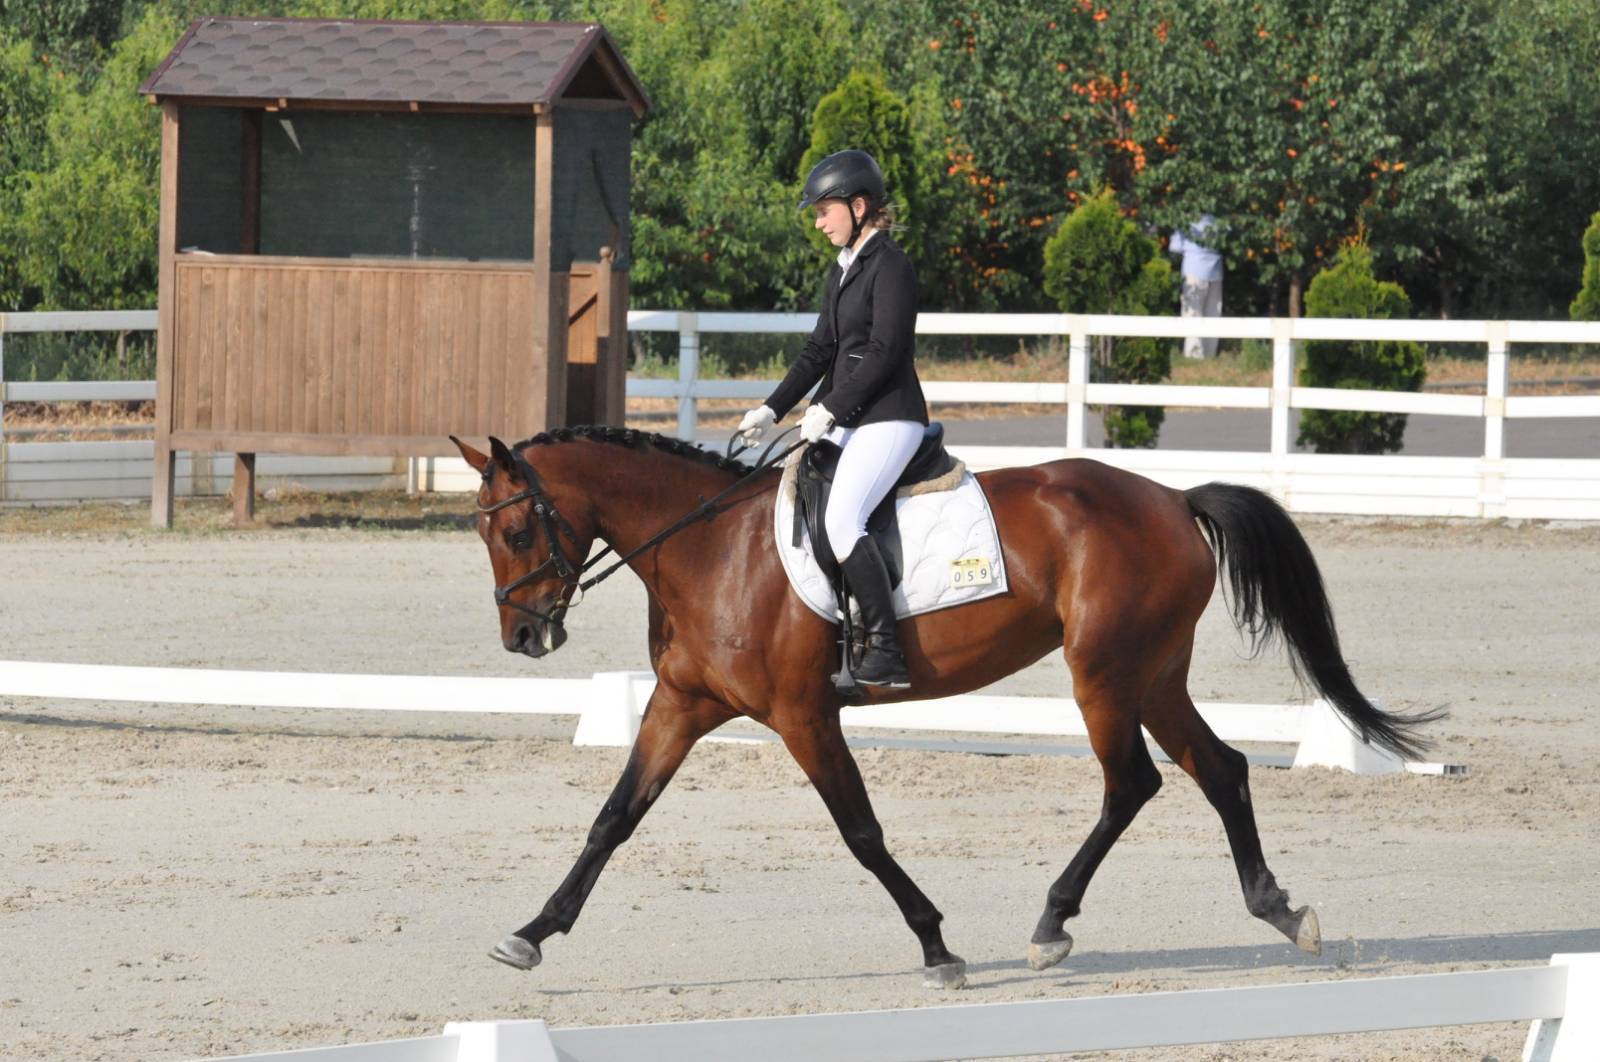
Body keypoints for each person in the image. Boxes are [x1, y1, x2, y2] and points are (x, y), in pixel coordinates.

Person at [737, 149, 929, 689]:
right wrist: (772, 409)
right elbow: (819, 351)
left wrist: (829, 409)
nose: (819, 222)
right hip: (850, 418)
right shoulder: (843, 268)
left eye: (825, 211)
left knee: (843, 520)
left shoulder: (891, 266)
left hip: (889, 418)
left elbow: (887, 352)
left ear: (860, 205)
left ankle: (886, 649)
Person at [1170, 214, 1223, 359]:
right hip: (1216, 271)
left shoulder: (1185, 221)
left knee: (1192, 311)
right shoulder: (1218, 220)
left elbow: (1175, 247)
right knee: (1213, 313)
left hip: (1193, 270)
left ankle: (1194, 354)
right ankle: (1210, 353)